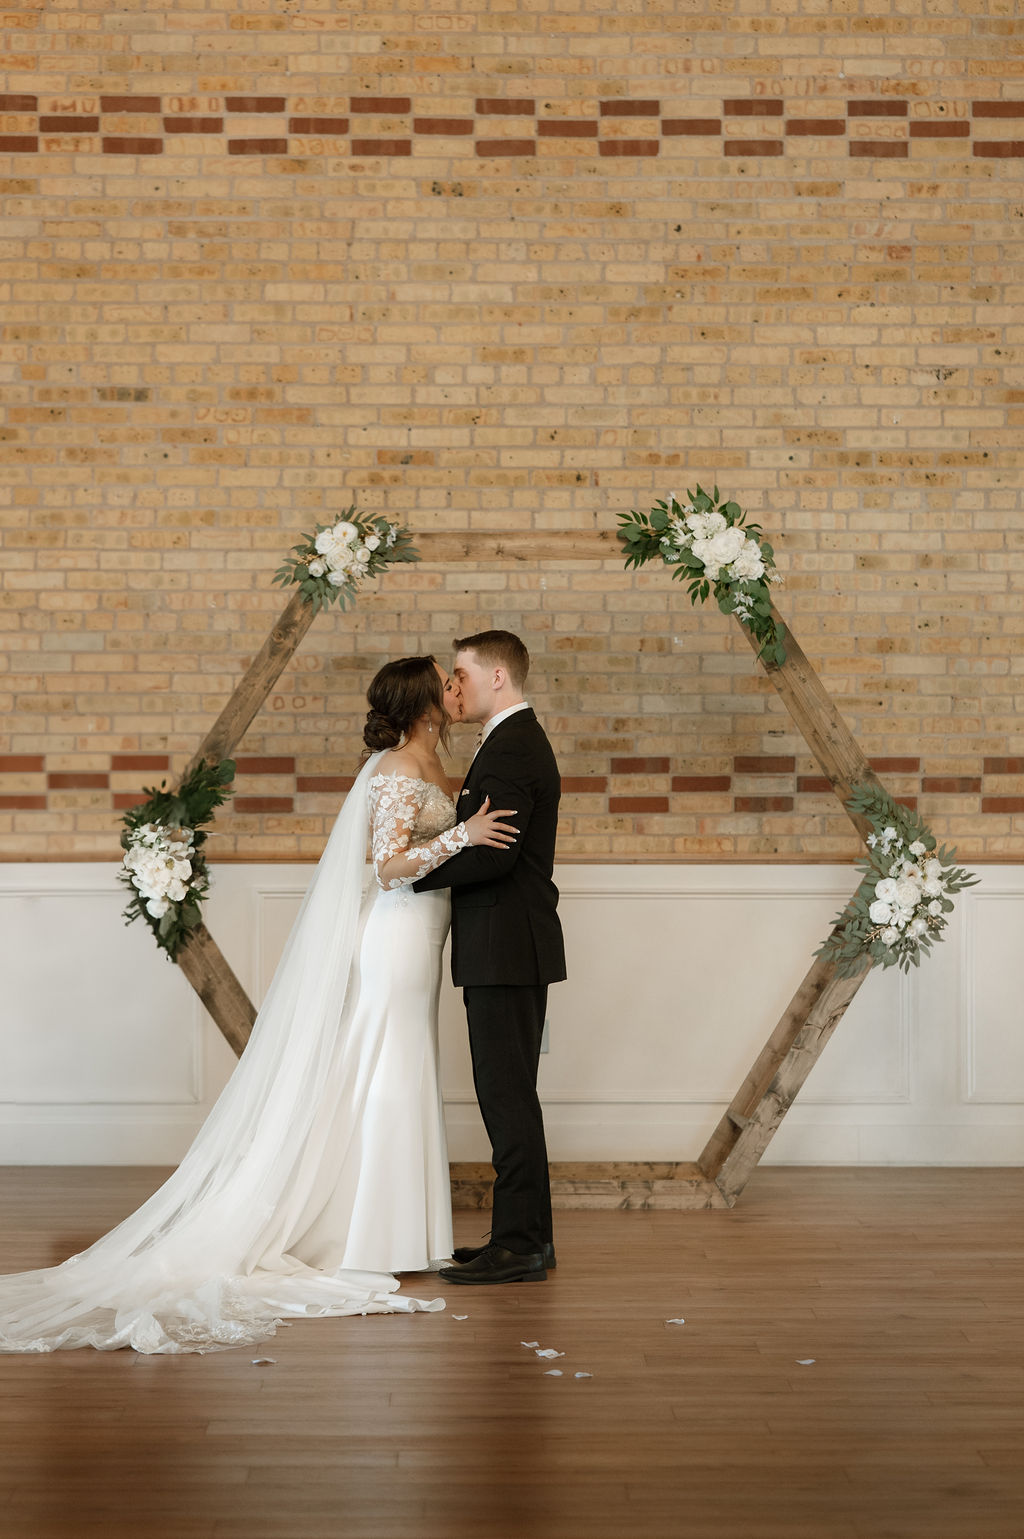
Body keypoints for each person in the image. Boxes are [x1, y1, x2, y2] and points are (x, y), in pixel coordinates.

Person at [0, 656, 517, 1354]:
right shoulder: (397, 769)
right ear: (426, 703)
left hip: (425, 935)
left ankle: (402, 1228)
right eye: (446, 680)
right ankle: (372, 1232)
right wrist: (463, 833)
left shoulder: (427, 760)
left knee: (401, 1066)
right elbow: (385, 864)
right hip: (397, 936)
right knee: (388, 1068)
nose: (457, 688)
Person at [414, 631, 566, 1286]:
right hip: (506, 944)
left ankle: (522, 1244)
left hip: (506, 945)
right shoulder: (509, 741)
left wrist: (408, 875)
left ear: (497, 676)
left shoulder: (514, 746)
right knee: (508, 1094)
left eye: (462, 673)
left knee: (506, 1097)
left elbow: (495, 852)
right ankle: (523, 1237)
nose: (455, 686)